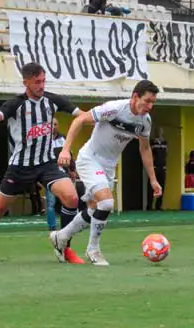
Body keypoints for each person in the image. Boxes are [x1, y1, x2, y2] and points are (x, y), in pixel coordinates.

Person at [0, 62, 84, 264]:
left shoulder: (52, 100)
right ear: (25, 82)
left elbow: (81, 115)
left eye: (43, 81)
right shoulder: (15, 104)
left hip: (47, 164)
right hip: (19, 167)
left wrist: (104, 116)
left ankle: (64, 248)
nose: (41, 85)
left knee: (71, 197)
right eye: (37, 82)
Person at [49, 80, 162, 266]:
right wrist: (65, 150)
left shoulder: (144, 121)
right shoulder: (114, 109)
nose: (150, 106)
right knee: (107, 202)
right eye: (147, 101)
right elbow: (79, 120)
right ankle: (93, 250)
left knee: (95, 207)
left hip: (108, 165)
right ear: (135, 97)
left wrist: (153, 179)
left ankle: (61, 236)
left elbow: (145, 149)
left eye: (153, 103)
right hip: (90, 158)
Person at [46, 117, 77, 230]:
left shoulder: (64, 139)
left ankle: (70, 226)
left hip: (64, 175)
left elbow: (69, 155)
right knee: (50, 203)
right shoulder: (43, 140)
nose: (53, 127)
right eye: (51, 124)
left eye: (55, 124)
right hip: (49, 174)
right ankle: (52, 227)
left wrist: (72, 170)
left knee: (69, 200)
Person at [147, 126, 167, 211]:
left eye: (160, 131)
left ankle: (159, 206)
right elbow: (149, 153)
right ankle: (149, 206)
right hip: (154, 167)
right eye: (157, 131)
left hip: (163, 167)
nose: (159, 133)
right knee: (152, 186)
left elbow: (166, 154)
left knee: (162, 186)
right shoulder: (152, 142)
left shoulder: (165, 142)